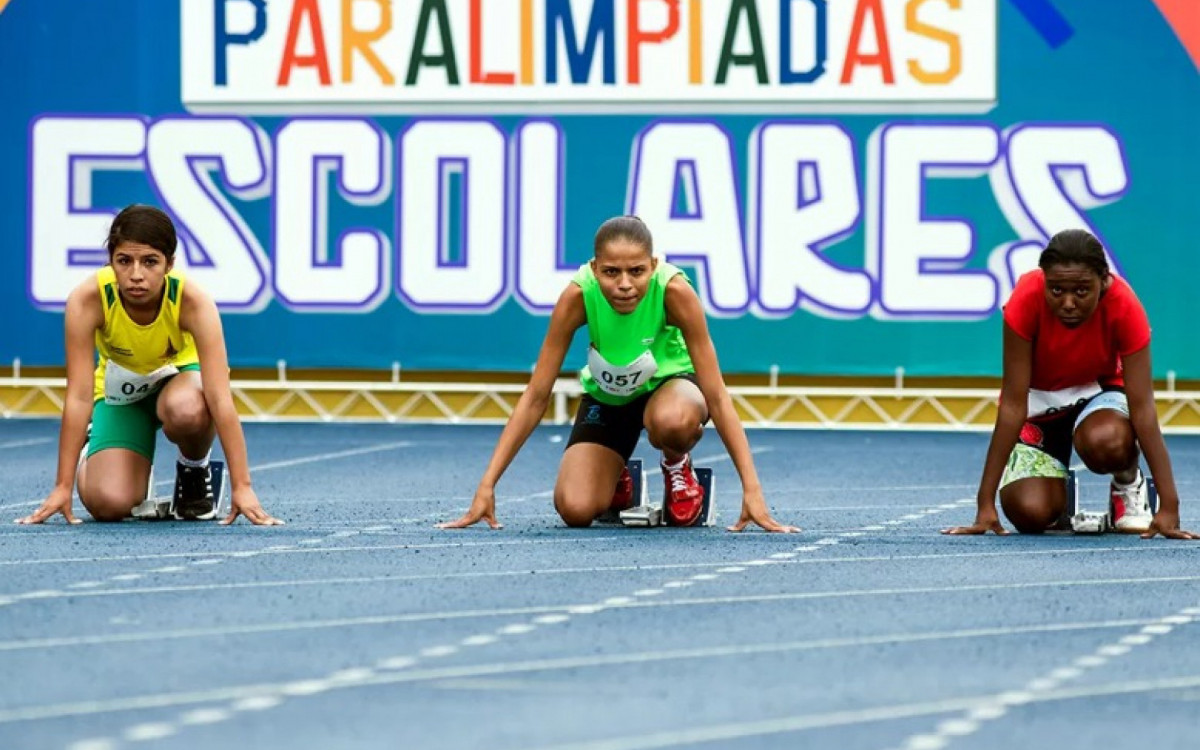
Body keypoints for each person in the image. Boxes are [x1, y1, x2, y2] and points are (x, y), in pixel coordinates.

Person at [439, 215, 797, 533]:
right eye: (611, 272)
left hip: (671, 392)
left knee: (672, 420)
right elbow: (536, 396)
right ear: (595, 269)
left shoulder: (675, 291)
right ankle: (617, 474)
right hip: (610, 397)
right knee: (575, 510)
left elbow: (716, 394)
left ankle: (677, 465)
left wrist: (752, 490)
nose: (625, 284)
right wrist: (487, 485)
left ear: (653, 266)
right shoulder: (578, 296)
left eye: (637, 271)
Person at [16, 204, 282, 526]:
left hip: (179, 387)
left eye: (150, 262)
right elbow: (78, 397)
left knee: (187, 409)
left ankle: (194, 471)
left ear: (169, 264)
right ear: (111, 262)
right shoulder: (87, 300)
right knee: (108, 506)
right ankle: (110, 452)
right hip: (122, 396)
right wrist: (62, 486)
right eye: (124, 261)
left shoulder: (193, 302)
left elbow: (219, 398)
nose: (136, 275)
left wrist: (244, 487)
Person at [944, 229, 1195, 539]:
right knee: (1030, 514)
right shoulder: (1025, 298)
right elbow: (1012, 403)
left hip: (1099, 399)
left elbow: (1143, 409)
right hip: (1041, 409)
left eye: (1081, 290)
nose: (1067, 302)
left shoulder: (1125, 306)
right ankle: (1059, 495)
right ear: (1044, 280)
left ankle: (1128, 483)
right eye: (1056, 289)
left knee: (1107, 441)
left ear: (1103, 281)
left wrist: (1169, 505)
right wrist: (985, 504)